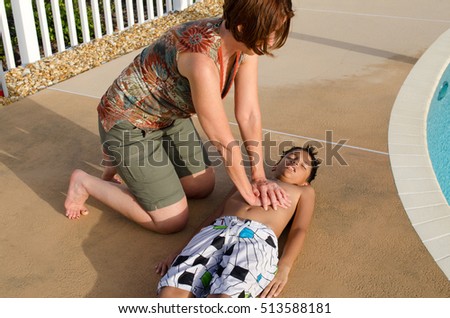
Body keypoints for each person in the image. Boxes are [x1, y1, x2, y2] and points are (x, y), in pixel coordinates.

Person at [64, 0, 295, 234]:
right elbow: (219, 135)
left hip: (170, 117)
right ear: (243, 26)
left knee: (202, 186)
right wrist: (248, 193)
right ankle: (86, 182)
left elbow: (249, 114)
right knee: (171, 220)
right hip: (129, 123)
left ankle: (122, 161)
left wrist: (259, 177)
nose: (272, 41)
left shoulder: (245, 46)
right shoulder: (201, 60)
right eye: (269, 32)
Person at [156, 145, 321, 298]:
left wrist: (285, 266)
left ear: (305, 181)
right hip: (218, 229)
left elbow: (299, 229)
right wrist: (182, 249)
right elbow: (215, 214)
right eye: (292, 157)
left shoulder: (303, 191)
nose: (295, 162)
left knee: (225, 297)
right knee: (171, 292)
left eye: (303, 165)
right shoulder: (246, 182)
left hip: (257, 239)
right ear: (274, 165)